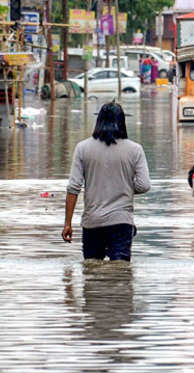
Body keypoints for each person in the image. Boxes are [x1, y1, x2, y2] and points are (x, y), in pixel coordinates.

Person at [62, 102, 151, 261]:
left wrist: (67, 224)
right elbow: (144, 185)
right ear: (122, 122)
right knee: (120, 276)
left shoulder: (82, 148)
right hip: (121, 222)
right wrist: (123, 187)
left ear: (99, 121)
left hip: (92, 222)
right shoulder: (135, 149)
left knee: (91, 273)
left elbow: (73, 188)